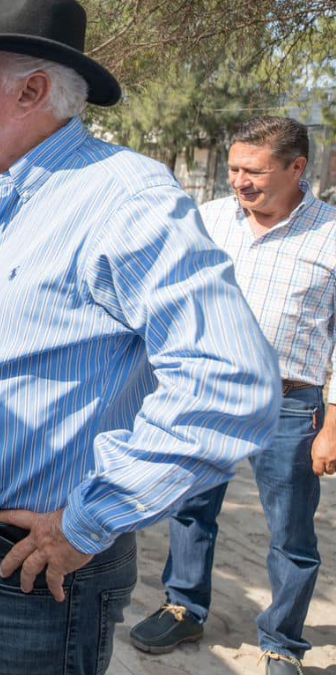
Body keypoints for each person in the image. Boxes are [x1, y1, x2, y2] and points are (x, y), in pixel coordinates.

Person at [0, 0, 280, 675]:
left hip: (35, 579)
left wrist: (87, 521)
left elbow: (231, 382)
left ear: (31, 91)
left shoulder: (124, 199)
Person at [129, 116, 336, 674]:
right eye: (235, 169)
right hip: (207, 392)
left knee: (290, 532)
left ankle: (282, 642)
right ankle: (184, 607)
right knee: (192, 509)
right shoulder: (211, 218)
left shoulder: (332, 235)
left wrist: (333, 424)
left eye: (255, 171)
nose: (241, 181)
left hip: (291, 404)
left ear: (298, 168)